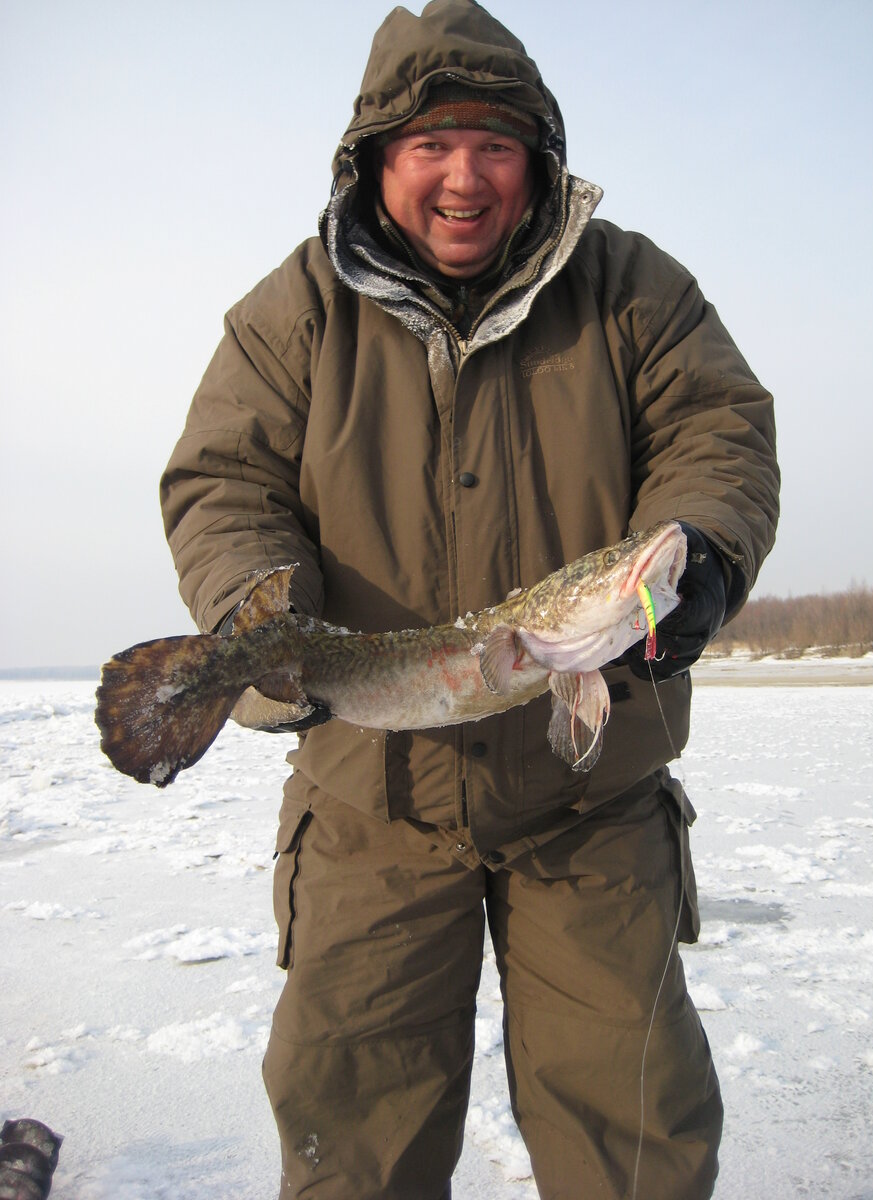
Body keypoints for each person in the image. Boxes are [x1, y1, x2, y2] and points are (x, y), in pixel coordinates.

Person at [160, 1, 779, 1196]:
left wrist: (697, 553)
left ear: (538, 162)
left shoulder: (634, 290)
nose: (462, 177)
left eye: (495, 144)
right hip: (367, 812)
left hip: (594, 814)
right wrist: (258, 607)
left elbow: (720, 434)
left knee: (635, 1154)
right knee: (357, 1159)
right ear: (376, 159)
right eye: (429, 144)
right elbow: (223, 482)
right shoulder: (292, 315)